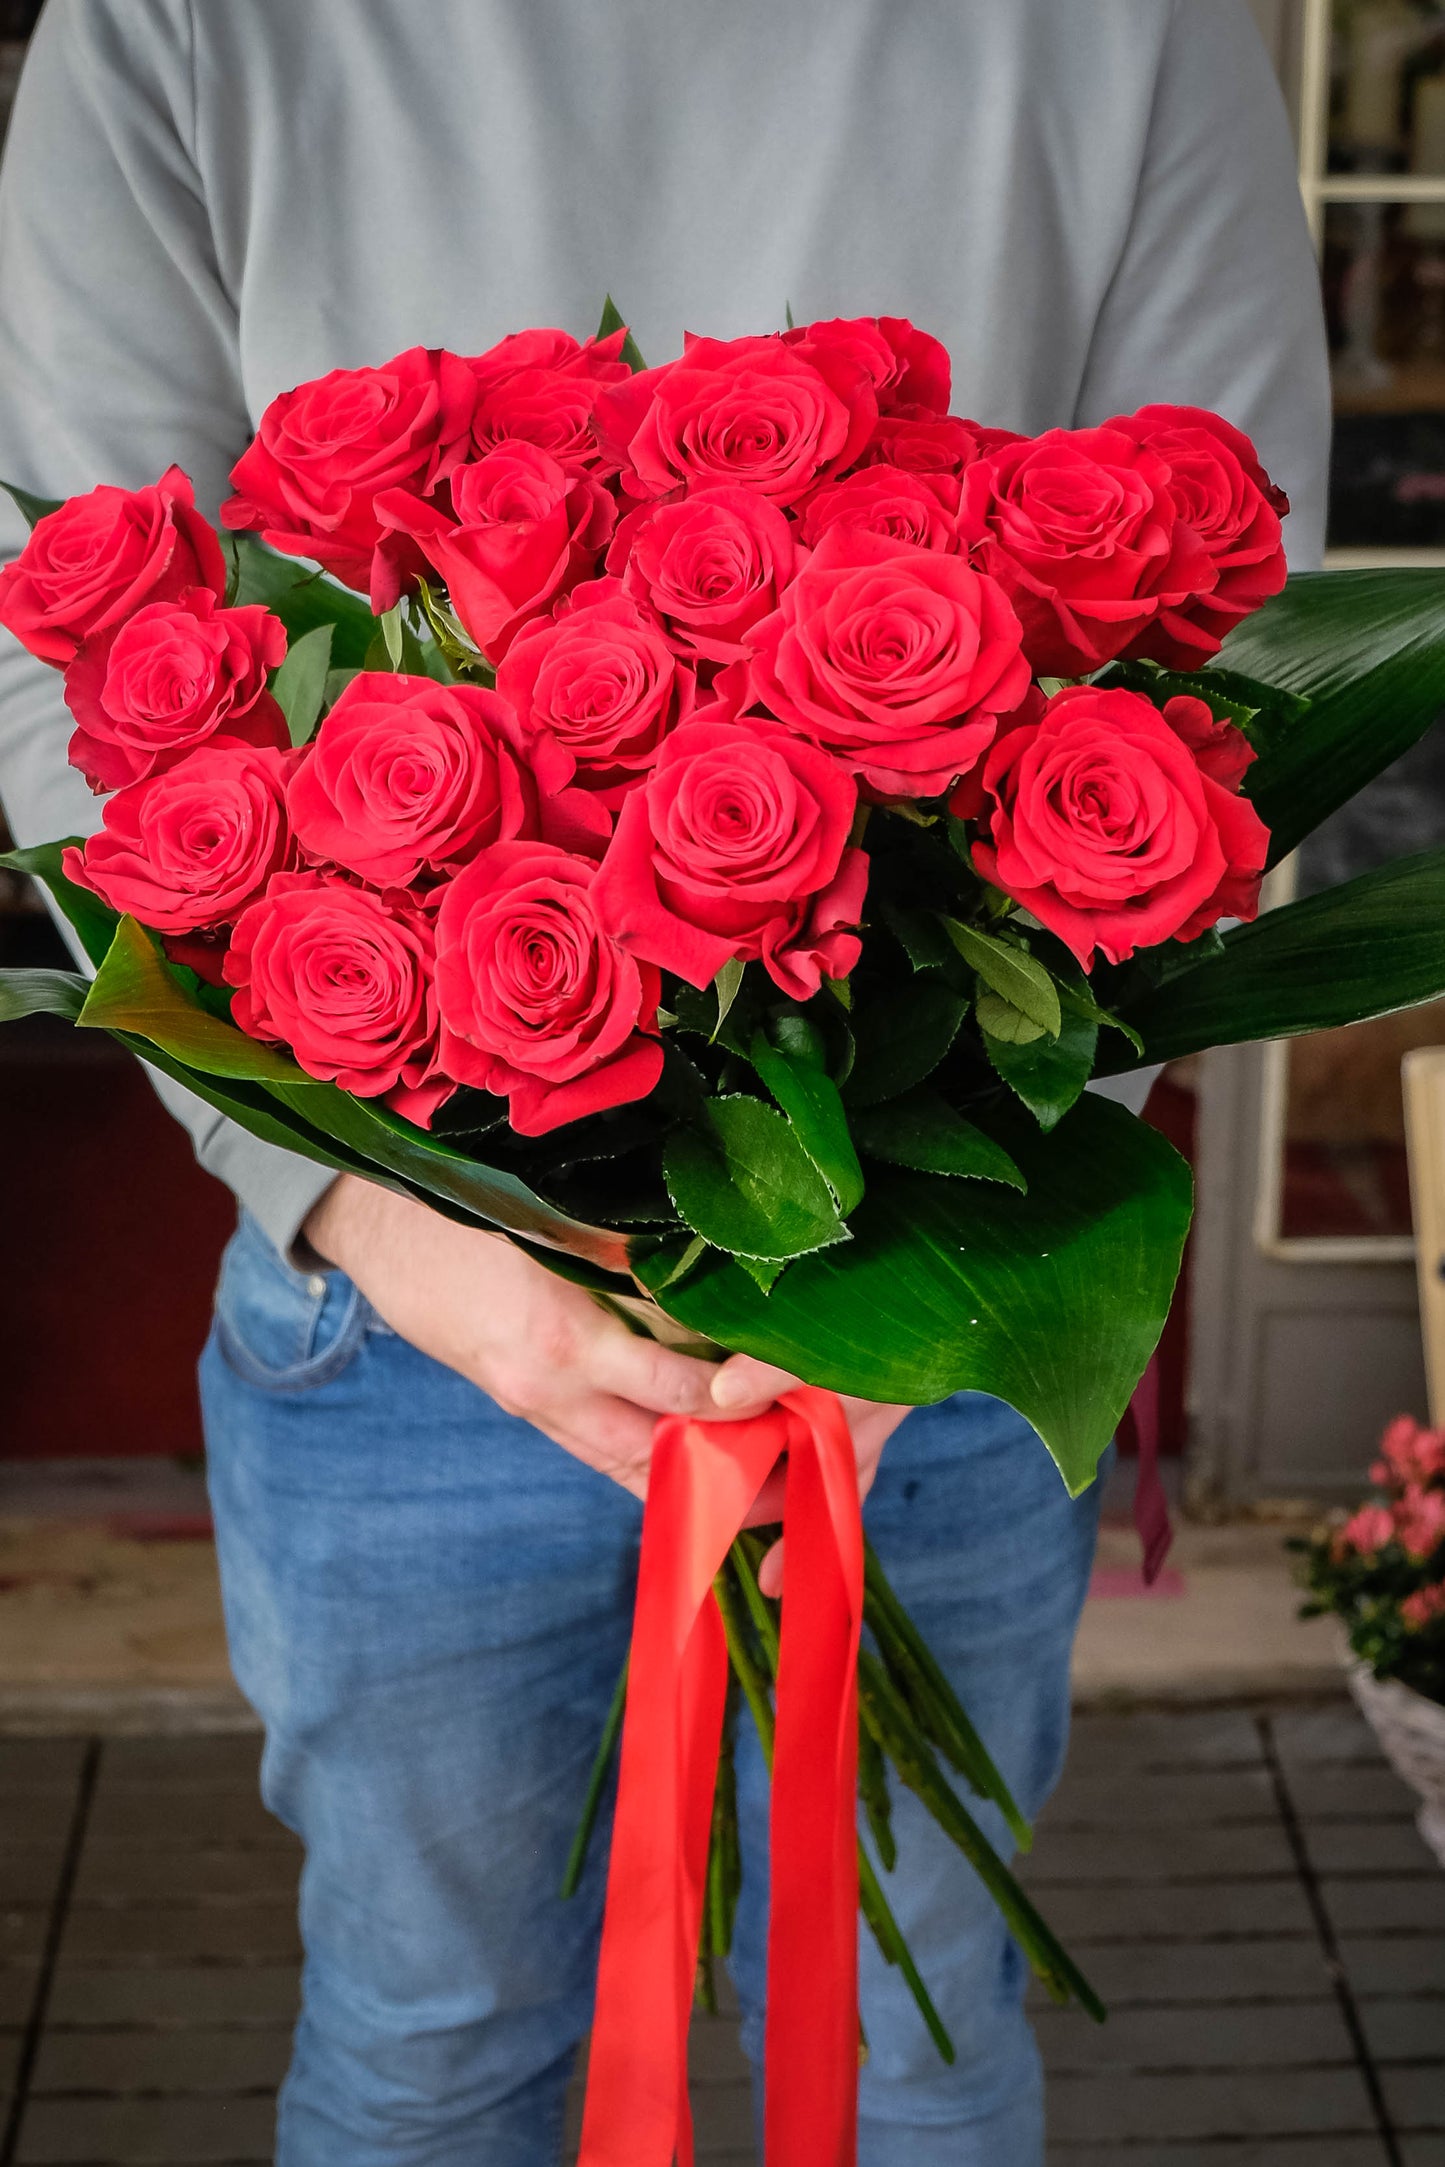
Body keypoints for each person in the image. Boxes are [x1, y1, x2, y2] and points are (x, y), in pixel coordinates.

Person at [0, 4, 1329, 2162]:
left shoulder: (1135, 25)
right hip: (407, 1290)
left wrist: (922, 1297)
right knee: (436, 2047)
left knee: (919, 2030)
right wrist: (393, 1226)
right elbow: (61, 656)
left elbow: (1224, 656)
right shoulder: (169, 26)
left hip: (934, 1330)